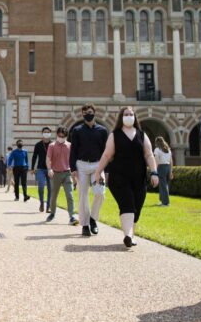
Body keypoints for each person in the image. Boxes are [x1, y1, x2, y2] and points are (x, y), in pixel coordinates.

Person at [94, 107, 159, 248]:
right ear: (121, 117)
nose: (129, 116)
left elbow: (148, 154)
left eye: (131, 114)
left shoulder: (142, 134)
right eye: (126, 114)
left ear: (135, 117)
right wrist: (98, 172)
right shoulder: (115, 135)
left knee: (137, 206)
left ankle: (131, 234)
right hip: (119, 177)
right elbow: (106, 155)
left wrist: (154, 172)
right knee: (127, 204)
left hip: (139, 177)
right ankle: (128, 235)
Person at [70, 104, 109, 237]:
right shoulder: (77, 130)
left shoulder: (103, 130)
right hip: (81, 165)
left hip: (98, 165)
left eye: (90, 112)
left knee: (100, 193)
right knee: (83, 196)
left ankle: (93, 219)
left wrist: (106, 169)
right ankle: (85, 225)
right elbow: (73, 151)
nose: (88, 114)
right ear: (82, 114)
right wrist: (73, 169)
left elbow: (106, 152)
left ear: (94, 113)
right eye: (86, 112)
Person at [46, 127, 79, 225]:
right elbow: (48, 159)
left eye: (63, 136)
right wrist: (49, 169)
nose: (61, 138)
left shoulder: (70, 146)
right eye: (59, 136)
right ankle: (52, 213)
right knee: (54, 195)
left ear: (66, 136)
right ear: (57, 135)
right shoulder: (51, 146)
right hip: (55, 173)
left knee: (70, 195)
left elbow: (73, 161)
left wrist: (74, 176)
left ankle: (72, 216)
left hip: (67, 173)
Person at [30, 127, 52, 212]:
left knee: (50, 188)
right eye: (45, 132)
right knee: (41, 187)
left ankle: (48, 206)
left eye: (48, 132)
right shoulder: (38, 145)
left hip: (50, 169)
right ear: (42, 133)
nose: (46, 133)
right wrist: (32, 168)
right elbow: (34, 157)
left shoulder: (52, 144)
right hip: (40, 169)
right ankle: (42, 203)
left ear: (50, 133)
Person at [153, 136, 173, 206]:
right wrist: (171, 171)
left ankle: (165, 203)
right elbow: (171, 161)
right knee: (164, 185)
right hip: (168, 167)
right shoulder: (168, 149)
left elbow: (156, 160)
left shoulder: (157, 150)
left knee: (163, 185)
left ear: (156, 143)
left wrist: (155, 170)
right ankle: (162, 201)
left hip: (161, 167)